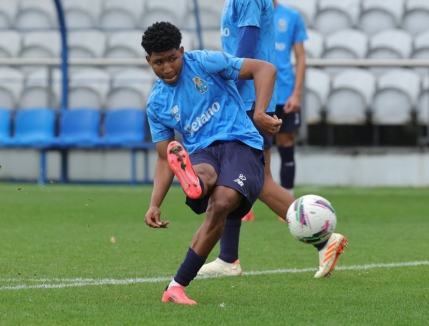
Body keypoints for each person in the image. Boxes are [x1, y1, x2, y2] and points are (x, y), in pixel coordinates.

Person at [197, 0, 347, 279]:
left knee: (247, 179)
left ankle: (322, 240)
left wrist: (226, 86)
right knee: (257, 182)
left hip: (246, 99)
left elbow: (246, 49)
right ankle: (229, 258)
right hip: (249, 97)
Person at [141, 22, 281, 305]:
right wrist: (155, 203)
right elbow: (163, 157)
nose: (167, 68)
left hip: (240, 141)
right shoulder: (157, 103)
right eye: (158, 63)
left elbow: (265, 69)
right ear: (148, 61)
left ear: (182, 51)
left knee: (221, 202)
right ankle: (195, 183)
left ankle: (177, 284)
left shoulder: (205, 62)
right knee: (202, 173)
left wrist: (260, 112)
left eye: (172, 59)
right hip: (202, 151)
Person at [273, 0, 308, 199]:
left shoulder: (292, 16)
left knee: (286, 143)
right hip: (257, 93)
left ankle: (288, 200)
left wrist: (296, 94)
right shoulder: (249, 15)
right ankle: (246, 206)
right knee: (255, 147)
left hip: (285, 92)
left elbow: (301, 57)